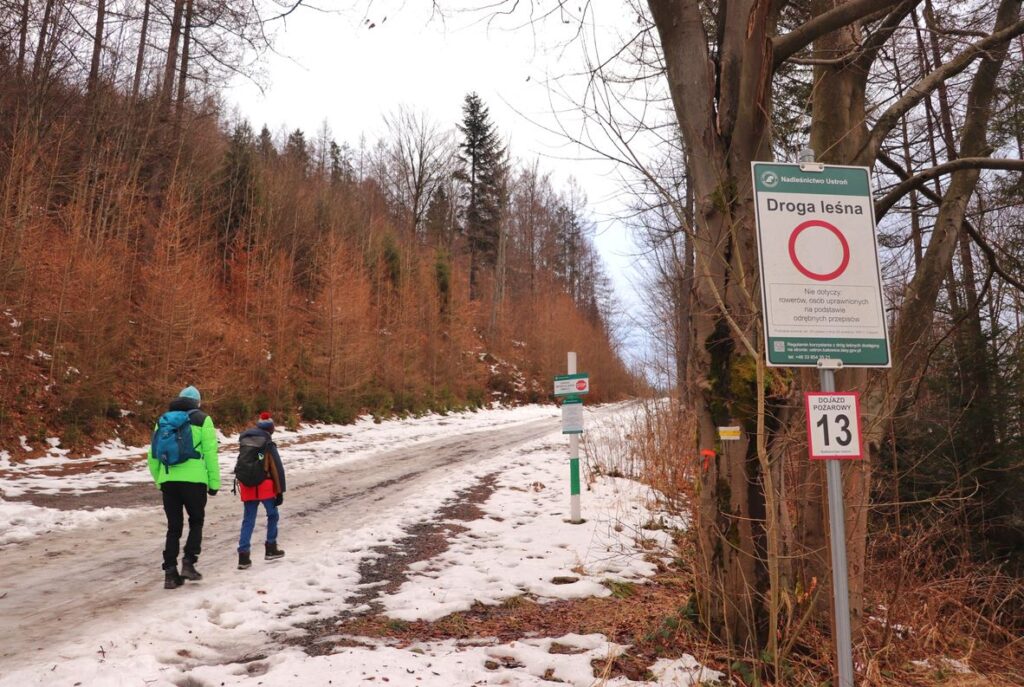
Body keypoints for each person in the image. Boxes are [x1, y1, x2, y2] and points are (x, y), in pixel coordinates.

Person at [147, 385, 220, 589]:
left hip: (169, 479)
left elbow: (152, 455)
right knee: (196, 521)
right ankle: (189, 562)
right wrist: (214, 483)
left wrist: (160, 479)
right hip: (195, 481)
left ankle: (170, 573)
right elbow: (211, 454)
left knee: (173, 527)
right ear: (198, 402)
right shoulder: (203, 419)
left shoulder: (163, 420)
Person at [235, 412, 286, 570]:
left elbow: (249, 460)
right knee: (272, 515)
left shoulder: (246, 441)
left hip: (247, 485)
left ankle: (243, 557)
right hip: (264, 485)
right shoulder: (267, 445)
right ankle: (271, 547)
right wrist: (280, 491)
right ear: (270, 429)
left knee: (248, 519)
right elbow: (276, 468)